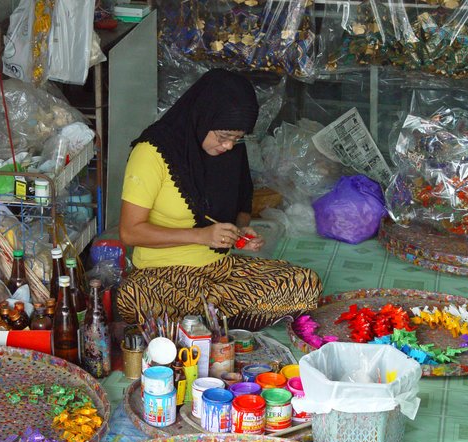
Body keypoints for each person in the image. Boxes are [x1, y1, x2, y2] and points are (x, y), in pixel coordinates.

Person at [117, 68, 322, 331]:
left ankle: (202, 319)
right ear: (202, 117)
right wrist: (202, 236)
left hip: (220, 273)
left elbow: (242, 204)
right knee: (134, 298)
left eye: (236, 139)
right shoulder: (151, 152)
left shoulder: (231, 151)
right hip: (160, 277)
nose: (228, 146)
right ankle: (217, 317)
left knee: (305, 283)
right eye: (223, 137)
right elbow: (129, 232)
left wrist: (240, 232)